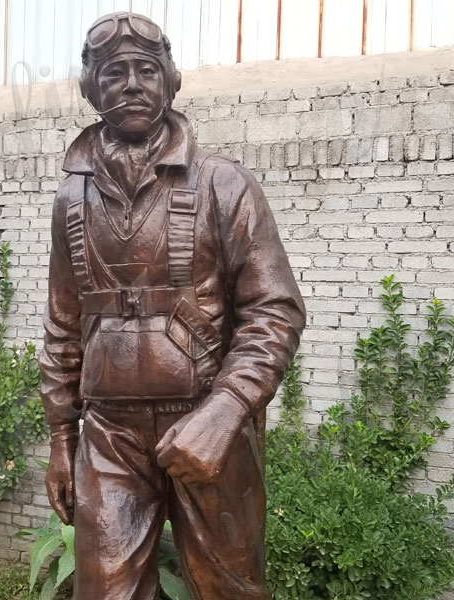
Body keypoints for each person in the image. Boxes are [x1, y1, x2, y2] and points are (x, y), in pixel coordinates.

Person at [38, 12, 306, 600]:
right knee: (103, 592)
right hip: (110, 435)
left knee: (230, 589)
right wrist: (62, 438)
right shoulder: (71, 200)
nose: (132, 84)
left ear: (172, 80)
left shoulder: (223, 185)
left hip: (209, 423)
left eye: (146, 70)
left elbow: (275, 312)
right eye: (113, 73)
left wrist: (225, 411)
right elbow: (63, 326)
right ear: (90, 89)